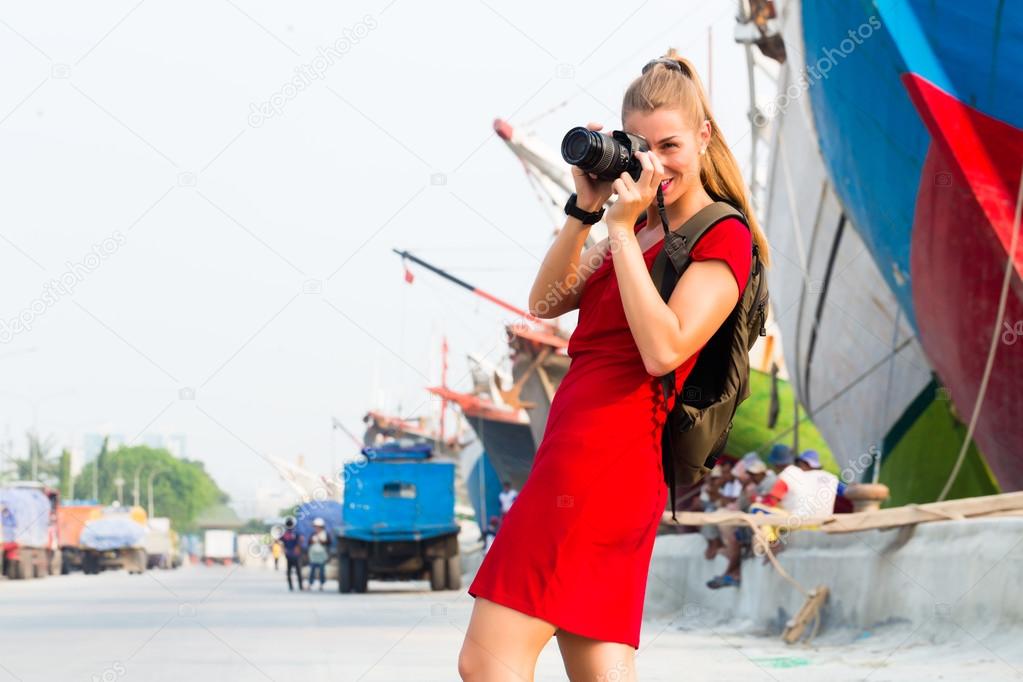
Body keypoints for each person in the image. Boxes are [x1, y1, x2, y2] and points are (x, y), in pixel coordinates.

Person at [460, 48, 771, 680]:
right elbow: (545, 302)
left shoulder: (720, 235)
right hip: (578, 451)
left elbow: (666, 348)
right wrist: (585, 211)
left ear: (705, 136)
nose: (657, 163)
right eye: (642, 146)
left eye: (672, 145)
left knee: (486, 664)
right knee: (598, 665)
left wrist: (624, 234)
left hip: (606, 460)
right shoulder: (637, 225)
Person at [279, 517, 304, 592]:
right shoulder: (296, 533)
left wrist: (284, 549)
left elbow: (279, 541)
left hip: (288, 555)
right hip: (295, 554)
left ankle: (291, 587)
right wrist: (298, 548)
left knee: (289, 571)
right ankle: (300, 587)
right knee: (298, 571)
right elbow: (301, 540)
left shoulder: (285, 534)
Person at [307, 518, 330, 591]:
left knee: (322, 571)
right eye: (315, 526)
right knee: (312, 570)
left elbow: (329, 542)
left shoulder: (325, 534)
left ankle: (321, 584)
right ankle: (310, 583)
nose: (316, 528)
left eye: (317, 526)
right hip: (313, 555)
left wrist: (321, 540)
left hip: (321, 555)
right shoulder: (313, 534)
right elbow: (309, 542)